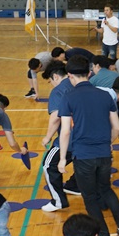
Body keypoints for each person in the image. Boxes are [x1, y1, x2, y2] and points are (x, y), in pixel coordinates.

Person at [58, 56, 119, 236]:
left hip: (83, 156)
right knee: (106, 190)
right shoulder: (106, 95)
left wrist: (62, 158)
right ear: (89, 73)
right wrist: (107, 142)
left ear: (69, 76)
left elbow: (65, 131)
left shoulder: (68, 97)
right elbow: (116, 127)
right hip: (104, 153)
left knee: (90, 197)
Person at [39, 63, 77, 211]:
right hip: (88, 137)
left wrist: (47, 137)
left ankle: (58, 201)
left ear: (55, 76)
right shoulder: (79, 84)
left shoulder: (58, 91)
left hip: (70, 139)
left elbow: (56, 117)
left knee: (49, 166)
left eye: (50, 81)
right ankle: (77, 187)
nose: (51, 84)